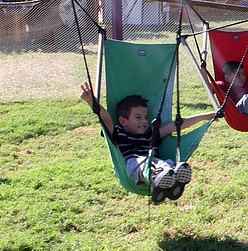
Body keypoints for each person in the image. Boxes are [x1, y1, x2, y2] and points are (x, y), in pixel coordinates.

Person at [79, 81, 217, 191]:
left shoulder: (150, 134)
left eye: (145, 117)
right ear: (123, 121)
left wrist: (205, 116)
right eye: (138, 117)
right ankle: (157, 177)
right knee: (140, 163)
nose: (144, 121)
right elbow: (106, 119)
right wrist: (92, 103)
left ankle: (172, 178)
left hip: (156, 163)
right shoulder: (119, 133)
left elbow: (177, 125)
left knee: (166, 163)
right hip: (134, 166)